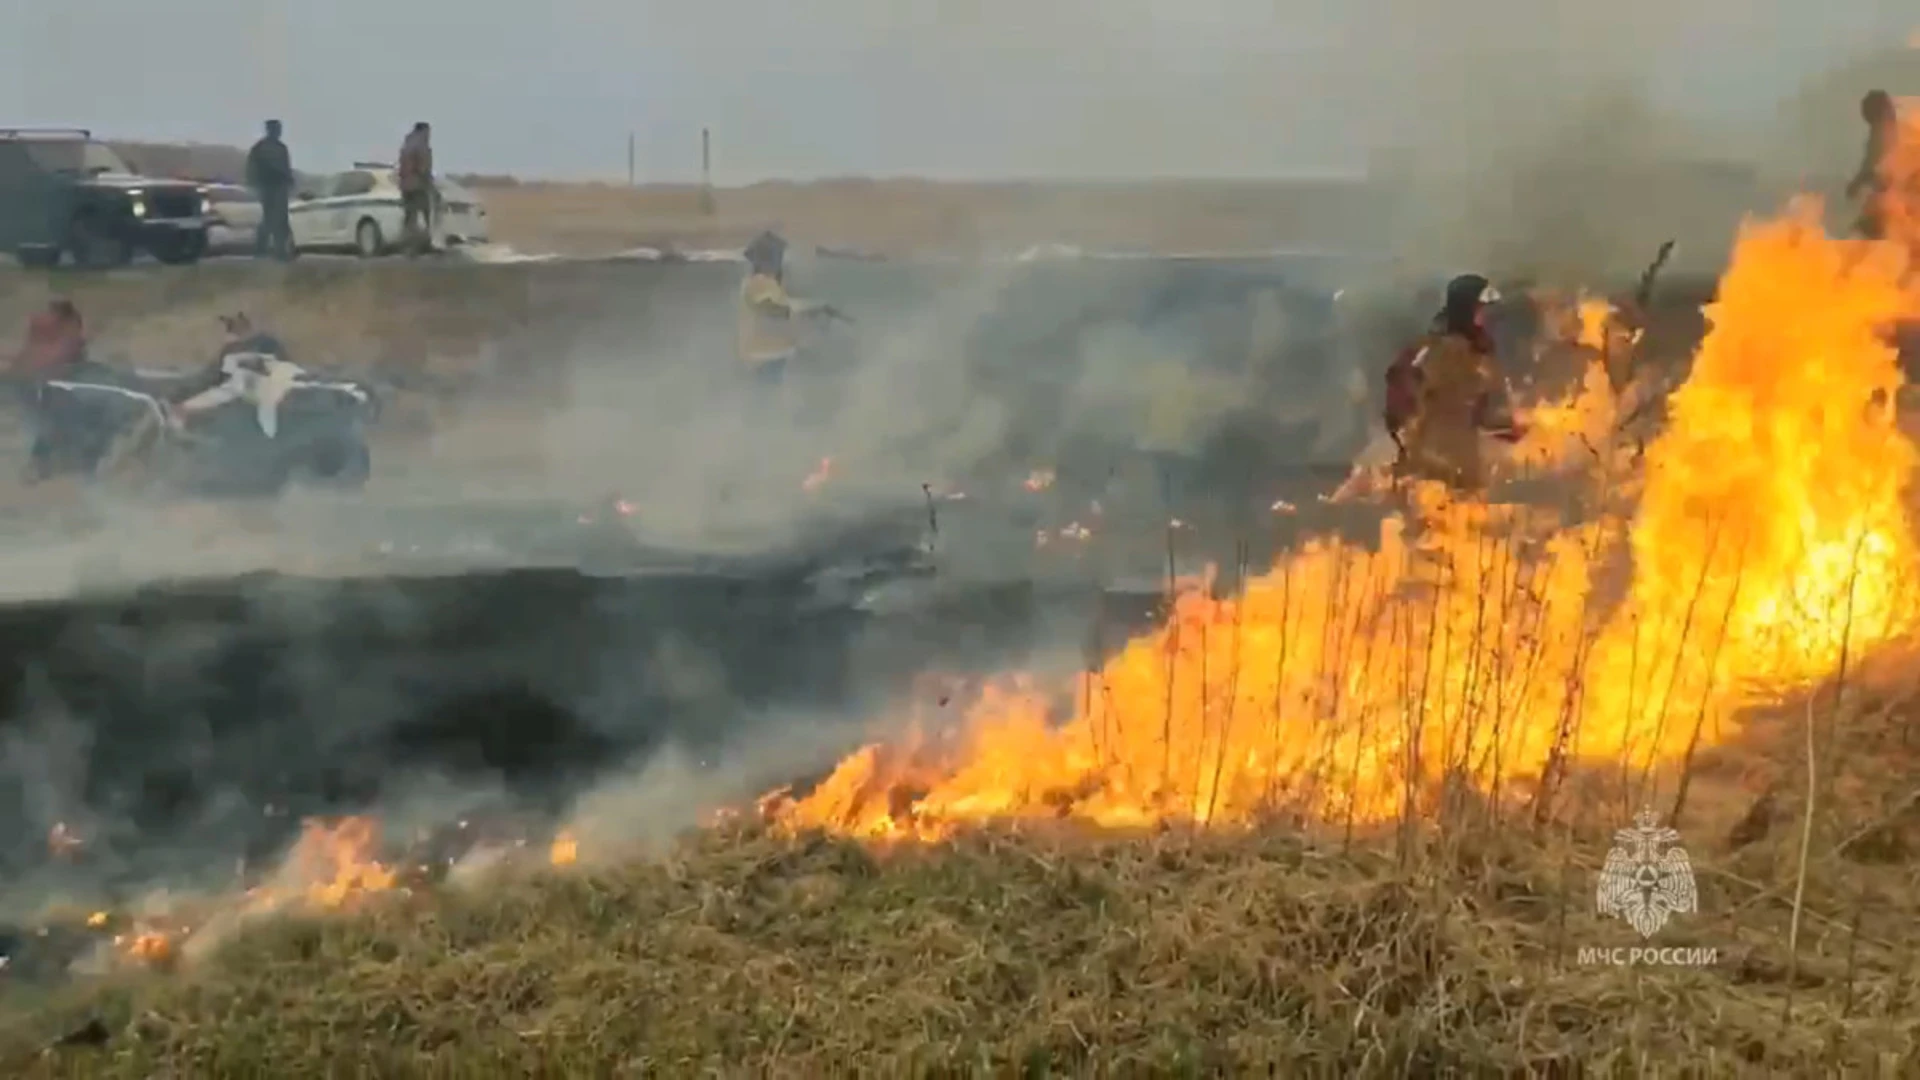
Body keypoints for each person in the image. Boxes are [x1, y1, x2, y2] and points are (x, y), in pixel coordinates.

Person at [1386, 273, 1524, 494]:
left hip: (1462, 471)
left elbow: (1480, 411)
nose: (1486, 318)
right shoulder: (1440, 352)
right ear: (1466, 312)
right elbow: (1404, 399)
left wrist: (1512, 427)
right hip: (1433, 475)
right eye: (1480, 311)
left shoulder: (1477, 353)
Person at [168, 313, 305, 438]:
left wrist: (180, 395)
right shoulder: (267, 342)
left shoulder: (237, 349)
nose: (226, 337)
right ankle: (183, 415)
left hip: (260, 391)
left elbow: (211, 378)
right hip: (274, 391)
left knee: (234, 384)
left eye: (229, 331)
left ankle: (181, 419)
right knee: (233, 385)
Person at [736, 230, 838, 387]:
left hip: (770, 354)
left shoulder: (761, 283)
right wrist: (809, 309)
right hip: (766, 356)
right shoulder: (759, 283)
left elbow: (781, 307)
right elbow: (772, 308)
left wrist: (812, 309)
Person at [1847, 90, 1898, 241]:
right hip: (1891, 199)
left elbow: (1872, 165)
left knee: (1863, 233)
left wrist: (1856, 184)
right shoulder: (1888, 129)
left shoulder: (1884, 132)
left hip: (1893, 200)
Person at [245, 119, 294, 260]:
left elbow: (286, 167)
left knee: (280, 219)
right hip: (268, 187)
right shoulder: (260, 148)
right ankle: (263, 250)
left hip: (280, 187)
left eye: (279, 129)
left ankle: (279, 251)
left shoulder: (281, 148)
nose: (278, 132)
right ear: (269, 130)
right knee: (269, 219)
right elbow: (252, 169)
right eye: (276, 129)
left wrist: (289, 179)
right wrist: (255, 185)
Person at [397, 122, 436, 256]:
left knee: (409, 217)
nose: (429, 135)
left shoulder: (407, 144)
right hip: (418, 185)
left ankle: (407, 247)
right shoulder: (421, 145)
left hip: (405, 186)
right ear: (423, 131)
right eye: (428, 132)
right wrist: (430, 183)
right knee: (425, 216)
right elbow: (423, 167)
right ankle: (422, 245)